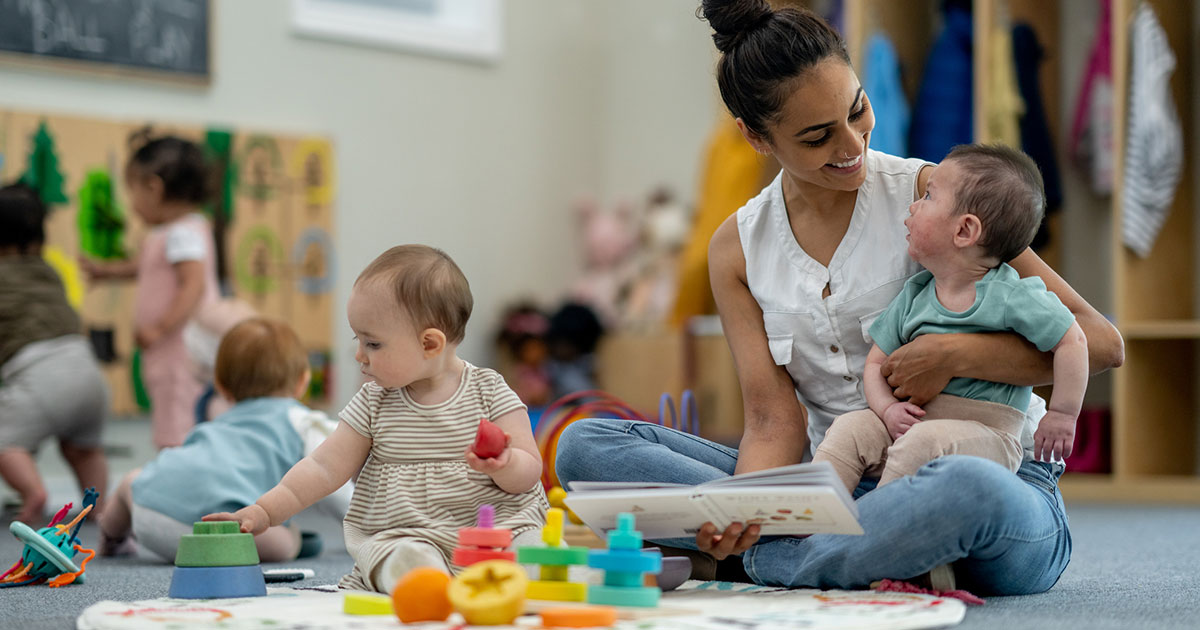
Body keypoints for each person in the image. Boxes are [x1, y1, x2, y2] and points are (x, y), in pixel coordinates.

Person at [554, 0, 1123, 595]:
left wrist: (956, 358)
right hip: (836, 482)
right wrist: (747, 513)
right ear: (755, 137)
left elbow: (1102, 341)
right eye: (818, 136)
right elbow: (773, 423)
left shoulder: (936, 199)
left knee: (963, 492)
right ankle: (818, 550)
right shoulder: (736, 249)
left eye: (857, 110)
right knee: (587, 445)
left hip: (990, 475)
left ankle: (761, 567)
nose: (852, 144)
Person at [205, 245, 548, 593]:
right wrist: (265, 511)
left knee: (536, 549)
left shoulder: (488, 390)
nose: (359, 355)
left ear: (429, 344)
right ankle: (426, 584)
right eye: (359, 339)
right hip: (408, 533)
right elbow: (323, 468)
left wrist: (504, 464)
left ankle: (524, 575)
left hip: (496, 531)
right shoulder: (373, 402)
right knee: (402, 557)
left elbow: (530, 470)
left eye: (372, 344)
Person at [813, 144, 1088, 493]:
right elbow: (875, 365)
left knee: (923, 441)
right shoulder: (915, 294)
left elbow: (1072, 340)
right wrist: (885, 410)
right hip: (915, 426)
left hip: (990, 436)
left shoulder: (1013, 295)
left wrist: (1063, 413)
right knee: (849, 428)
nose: (913, 205)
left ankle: (874, 532)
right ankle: (811, 523)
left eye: (928, 197)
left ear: (964, 231)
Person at [98, 317, 345, 562]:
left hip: (151, 514)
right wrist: (365, 528)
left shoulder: (220, 419)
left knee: (131, 482)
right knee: (284, 541)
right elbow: (331, 479)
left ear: (221, 386)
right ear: (303, 381)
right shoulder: (301, 421)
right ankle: (290, 540)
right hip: (229, 533)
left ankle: (111, 538)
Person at [81, 134, 219, 449]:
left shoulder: (182, 233)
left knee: (178, 416)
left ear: (154, 189)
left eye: (133, 192)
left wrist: (160, 326)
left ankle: (174, 472)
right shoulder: (175, 232)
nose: (132, 204)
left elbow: (193, 284)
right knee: (172, 409)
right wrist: (105, 272)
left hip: (181, 347)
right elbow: (142, 266)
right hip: (171, 347)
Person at [0, 183, 110, 525]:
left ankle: (34, 493)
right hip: (87, 372)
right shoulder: (49, 272)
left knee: (4, 441)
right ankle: (102, 509)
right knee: (83, 449)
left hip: (41, 376)